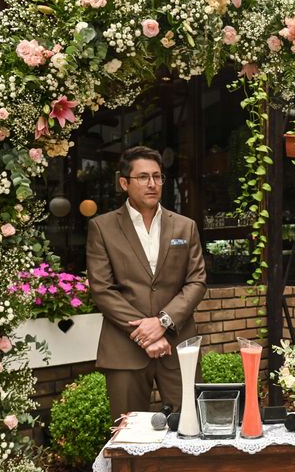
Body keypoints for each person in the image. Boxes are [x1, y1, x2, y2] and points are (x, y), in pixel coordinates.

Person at [87, 146, 206, 421]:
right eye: (142, 177)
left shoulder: (185, 226)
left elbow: (197, 281)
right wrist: (145, 333)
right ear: (124, 183)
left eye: (157, 176)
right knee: (128, 434)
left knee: (189, 428)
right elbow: (102, 289)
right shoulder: (102, 228)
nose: (152, 184)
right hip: (124, 349)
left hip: (178, 348)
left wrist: (162, 322)